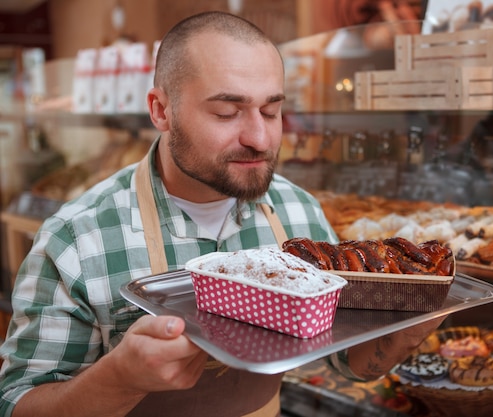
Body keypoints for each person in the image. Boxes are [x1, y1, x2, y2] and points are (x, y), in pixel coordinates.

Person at [0, 11, 443, 417]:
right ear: (161, 110)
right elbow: (19, 404)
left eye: (271, 110)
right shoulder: (78, 239)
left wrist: (402, 334)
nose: (259, 137)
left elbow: (346, 362)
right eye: (227, 112)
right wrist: (120, 378)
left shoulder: (298, 214)